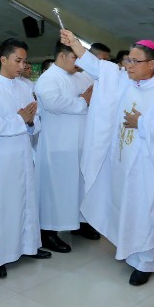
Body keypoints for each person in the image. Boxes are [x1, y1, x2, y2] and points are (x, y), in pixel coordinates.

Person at [59, 29, 154, 286]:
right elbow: (98, 68)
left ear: (151, 64)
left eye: (134, 61)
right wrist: (76, 44)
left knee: (146, 210)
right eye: (127, 60)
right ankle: (131, 251)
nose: (128, 65)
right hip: (122, 161)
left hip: (150, 167)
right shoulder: (124, 81)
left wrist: (144, 122)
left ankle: (148, 261)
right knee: (127, 208)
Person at [0, 38, 49, 278]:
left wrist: (28, 122)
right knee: (1, 204)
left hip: (23, 151)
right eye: (17, 60)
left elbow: (36, 121)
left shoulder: (25, 87)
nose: (21, 66)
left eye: (24, 61)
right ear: (3, 59)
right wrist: (21, 119)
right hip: (1, 155)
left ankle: (29, 246)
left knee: (26, 199)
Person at [35, 42, 96, 251]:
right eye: (75, 59)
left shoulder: (80, 76)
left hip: (79, 145)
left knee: (78, 189)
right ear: (62, 56)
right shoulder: (48, 79)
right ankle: (48, 232)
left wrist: (88, 99)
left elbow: (96, 92)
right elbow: (54, 103)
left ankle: (78, 224)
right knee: (57, 190)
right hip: (58, 147)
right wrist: (82, 101)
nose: (78, 64)